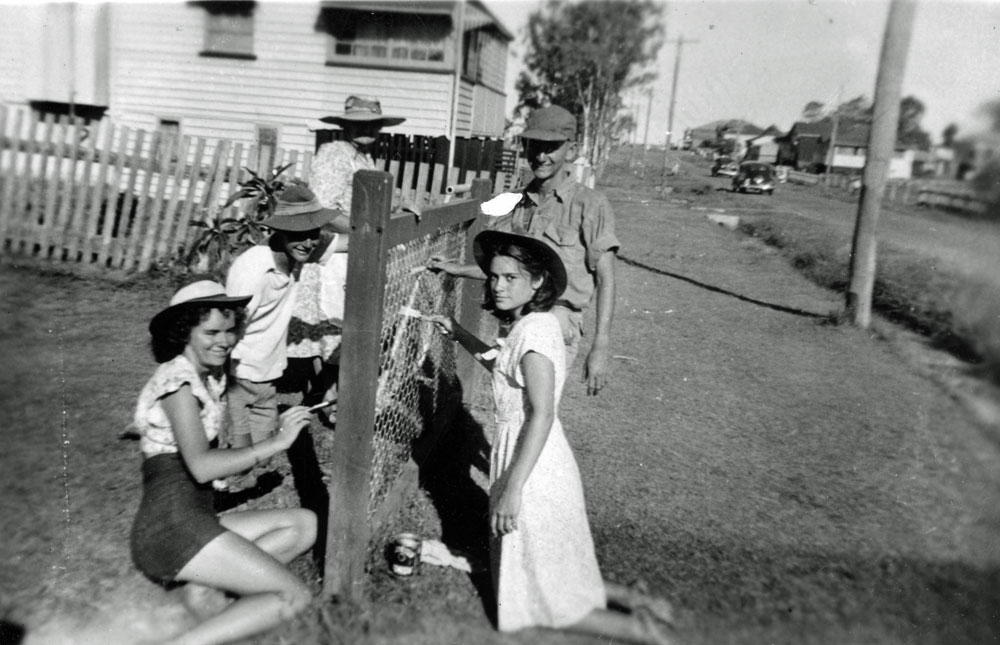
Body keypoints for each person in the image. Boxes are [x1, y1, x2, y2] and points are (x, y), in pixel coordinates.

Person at [425, 231, 673, 644]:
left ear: (537, 282)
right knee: (545, 571)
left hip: (534, 465)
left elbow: (542, 413)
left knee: (547, 600)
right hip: (527, 454)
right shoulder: (528, 325)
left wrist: (512, 489)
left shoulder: (536, 332)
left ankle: (644, 631)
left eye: (511, 278)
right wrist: (458, 332)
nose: (498, 286)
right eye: (494, 277)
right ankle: (638, 605)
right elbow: (504, 370)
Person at [130, 279, 318, 645]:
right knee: (293, 596)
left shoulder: (207, 376)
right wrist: (278, 442)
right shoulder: (178, 382)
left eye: (231, 330)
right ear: (184, 333)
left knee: (302, 524)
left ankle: (205, 593)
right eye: (211, 332)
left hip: (193, 516)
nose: (225, 340)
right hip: (170, 527)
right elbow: (202, 466)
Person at [427, 104, 619, 396]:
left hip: (557, 321)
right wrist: (456, 268)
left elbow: (606, 279)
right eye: (534, 146)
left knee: (533, 409)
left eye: (551, 147)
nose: (541, 156)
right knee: (509, 401)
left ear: (571, 150)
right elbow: (508, 271)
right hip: (516, 319)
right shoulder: (516, 201)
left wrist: (601, 346)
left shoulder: (590, 205)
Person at [225, 184, 338, 448]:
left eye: (313, 233)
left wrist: (398, 216)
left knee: (261, 452)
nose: (309, 242)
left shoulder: (294, 251)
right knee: (237, 455)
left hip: (266, 375)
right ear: (280, 230)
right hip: (238, 373)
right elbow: (229, 327)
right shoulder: (255, 272)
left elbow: (351, 241)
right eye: (300, 233)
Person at [310, 95, 406, 213]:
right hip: (342, 230)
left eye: (373, 124)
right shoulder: (335, 154)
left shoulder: (364, 156)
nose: (366, 129)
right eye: (359, 123)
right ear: (344, 125)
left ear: (380, 127)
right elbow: (322, 210)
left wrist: (396, 209)